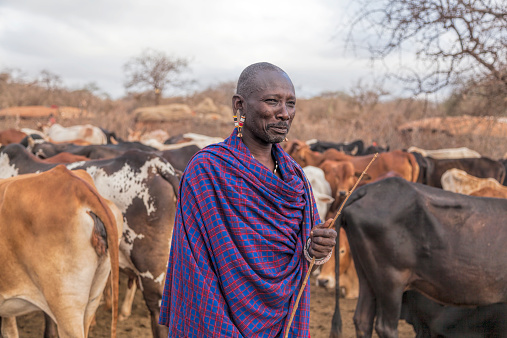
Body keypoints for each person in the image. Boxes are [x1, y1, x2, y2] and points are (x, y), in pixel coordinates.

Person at [159, 62, 337, 337]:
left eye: (291, 104)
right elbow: (194, 266)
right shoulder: (207, 169)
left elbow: (308, 250)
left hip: (284, 321)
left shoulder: (296, 178)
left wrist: (319, 248)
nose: (284, 113)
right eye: (272, 102)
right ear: (239, 106)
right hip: (217, 320)